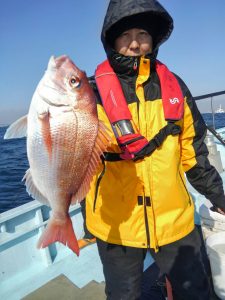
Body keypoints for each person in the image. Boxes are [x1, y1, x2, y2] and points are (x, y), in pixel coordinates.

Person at [85, 0, 225, 299]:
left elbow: (194, 150)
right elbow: (74, 154)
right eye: (125, 35)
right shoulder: (89, 94)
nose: (135, 44)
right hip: (116, 224)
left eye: (143, 34)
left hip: (173, 218)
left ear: (154, 39)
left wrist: (217, 196)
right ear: (111, 39)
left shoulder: (175, 86)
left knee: (196, 293)